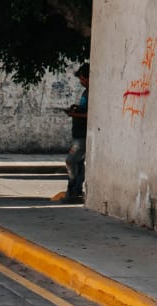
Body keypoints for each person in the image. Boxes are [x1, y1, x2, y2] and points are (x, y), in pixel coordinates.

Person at [57, 63, 89, 203]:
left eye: (82, 78)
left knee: (70, 161)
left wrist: (74, 114)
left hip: (82, 135)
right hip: (78, 133)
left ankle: (74, 188)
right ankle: (75, 190)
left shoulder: (92, 92)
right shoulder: (86, 92)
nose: (81, 81)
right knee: (78, 163)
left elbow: (90, 114)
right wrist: (76, 109)